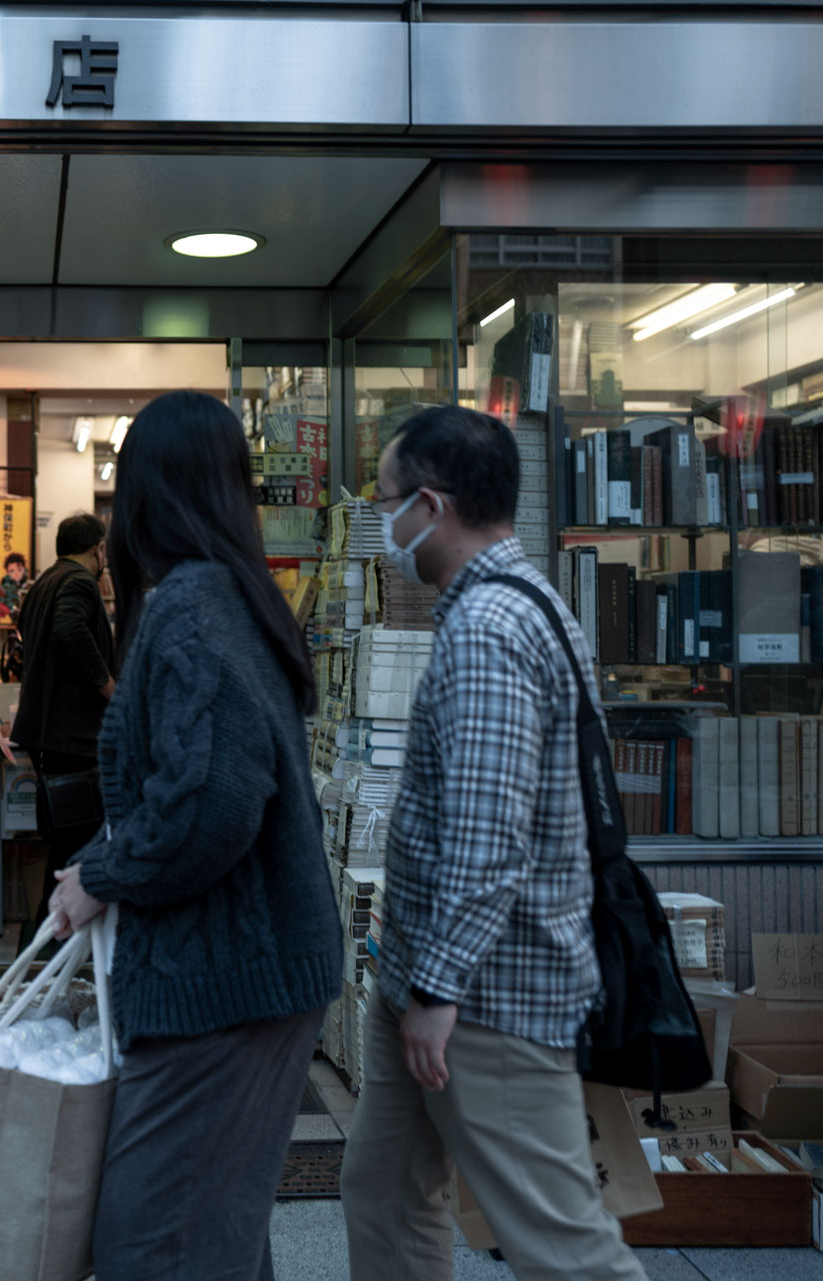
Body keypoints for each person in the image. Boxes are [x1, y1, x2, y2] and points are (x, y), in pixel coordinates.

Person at [340, 407, 644, 1281]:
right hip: (433, 979)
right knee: (385, 1190)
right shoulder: (523, 602)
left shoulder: (484, 633)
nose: (384, 521)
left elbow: (486, 834)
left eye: (388, 500)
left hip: (485, 994)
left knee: (563, 1242)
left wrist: (436, 986)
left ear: (431, 505)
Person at [49, 392, 341, 1280]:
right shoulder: (233, 597)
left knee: (150, 1242)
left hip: (222, 987)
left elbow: (210, 801)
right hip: (245, 977)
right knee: (212, 1233)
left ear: (145, 494)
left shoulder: (192, 608)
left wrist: (99, 874)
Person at [10, 513, 113, 931]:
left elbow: (28, 632)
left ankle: (45, 948)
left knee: (64, 847)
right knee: (76, 850)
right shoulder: (79, 582)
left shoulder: (43, 584)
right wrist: (108, 686)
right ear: (97, 549)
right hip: (72, 738)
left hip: (47, 738)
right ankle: (47, 945)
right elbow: (70, 629)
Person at [0, 550, 30, 616]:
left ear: (24, 569)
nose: (16, 574)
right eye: (12, 571)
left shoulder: (30, 583)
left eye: (19, 570)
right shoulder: (4, 587)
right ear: (8, 573)